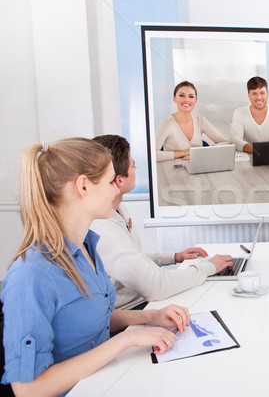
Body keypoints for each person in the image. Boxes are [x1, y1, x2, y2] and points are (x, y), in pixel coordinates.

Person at [1, 138, 188, 396]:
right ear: (83, 186)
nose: (116, 190)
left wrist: (150, 316)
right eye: (111, 181)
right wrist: (125, 339)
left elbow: (91, 320)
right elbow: (28, 389)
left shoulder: (87, 247)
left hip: (106, 381)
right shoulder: (31, 275)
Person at [91, 135, 234, 311]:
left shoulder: (118, 209)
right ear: (119, 179)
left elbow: (134, 257)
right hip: (134, 310)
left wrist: (174, 256)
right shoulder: (102, 228)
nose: (136, 168)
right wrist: (208, 268)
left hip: (145, 300)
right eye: (133, 165)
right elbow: (157, 286)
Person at [155, 81, 229, 161]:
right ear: (174, 99)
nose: (187, 100)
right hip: (174, 170)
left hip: (198, 167)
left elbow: (225, 142)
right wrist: (185, 152)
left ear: (196, 100)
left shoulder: (200, 120)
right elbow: (153, 154)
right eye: (181, 95)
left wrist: (202, 152)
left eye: (191, 96)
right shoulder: (167, 124)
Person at [230, 76, 269, 154]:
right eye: (254, 93)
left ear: (267, 94)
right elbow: (234, 139)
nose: (259, 97)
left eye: (262, 93)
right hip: (250, 155)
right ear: (249, 96)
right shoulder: (239, 113)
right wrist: (255, 149)